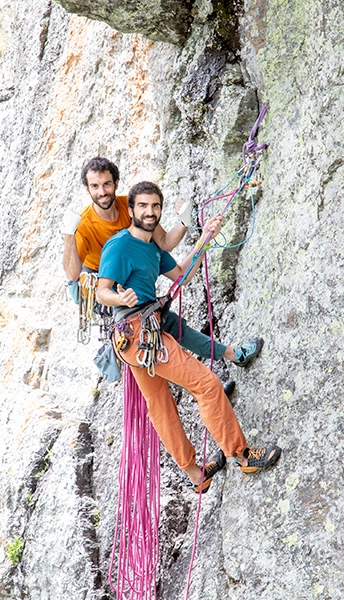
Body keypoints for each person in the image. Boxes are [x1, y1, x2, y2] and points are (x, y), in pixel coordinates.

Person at [96, 181, 281, 491]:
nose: (150, 212)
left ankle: (196, 475)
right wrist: (121, 298)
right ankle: (242, 455)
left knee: (160, 406)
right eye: (142, 206)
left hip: (141, 333)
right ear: (130, 210)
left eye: (155, 206)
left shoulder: (152, 248)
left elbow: (181, 274)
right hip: (141, 332)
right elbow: (102, 291)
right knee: (207, 385)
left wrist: (205, 239)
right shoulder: (119, 246)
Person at [62, 157, 262, 367]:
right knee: (157, 328)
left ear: (116, 183)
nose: (102, 191)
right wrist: (69, 234)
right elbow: (73, 275)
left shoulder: (131, 208)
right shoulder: (86, 225)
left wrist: (185, 223)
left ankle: (216, 370)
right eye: (95, 186)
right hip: (107, 287)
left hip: (133, 272)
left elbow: (165, 243)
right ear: (87, 189)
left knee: (167, 323)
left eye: (106, 184)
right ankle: (210, 377)